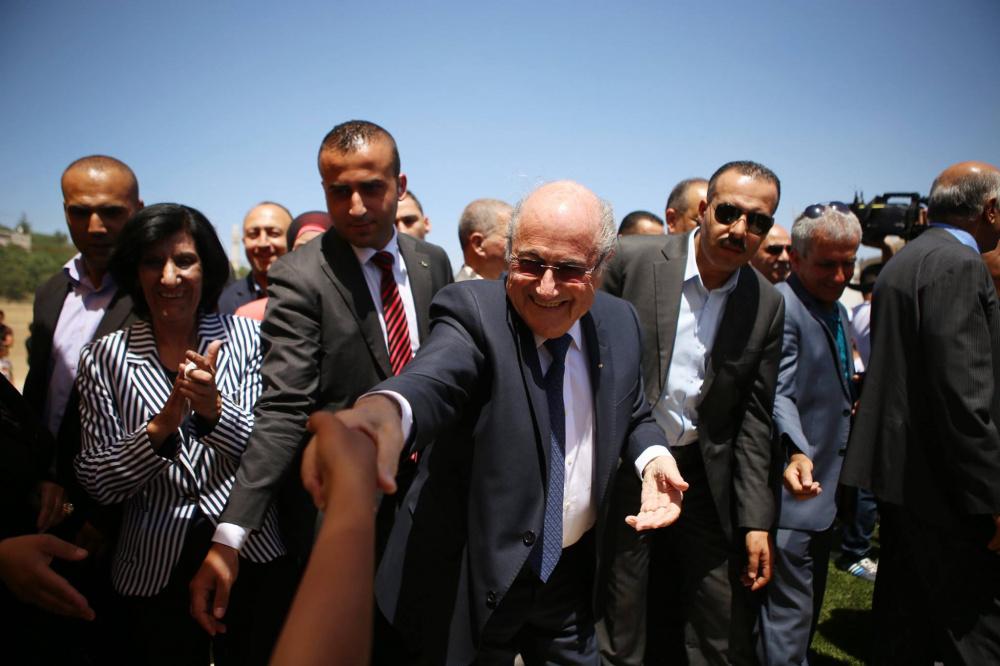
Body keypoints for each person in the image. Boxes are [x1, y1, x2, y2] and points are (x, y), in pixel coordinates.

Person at [316, 180, 686, 665]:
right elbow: (431, 381)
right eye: (530, 263)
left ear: (601, 265)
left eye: (569, 269)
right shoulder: (474, 311)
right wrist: (380, 419)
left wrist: (653, 458)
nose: (546, 287)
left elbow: (632, 411)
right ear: (509, 254)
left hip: (566, 582)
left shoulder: (620, 322)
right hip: (467, 583)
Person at [189, 120, 453, 637]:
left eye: (371, 188)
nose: (355, 206)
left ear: (400, 186)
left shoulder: (431, 262)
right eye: (339, 191)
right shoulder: (300, 275)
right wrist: (230, 535)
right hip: (346, 511)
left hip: (431, 501)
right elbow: (284, 408)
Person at [73, 204, 289, 665]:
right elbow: (96, 480)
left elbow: (271, 451)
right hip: (151, 571)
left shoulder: (250, 339)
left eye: (184, 261)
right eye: (153, 262)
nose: (169, 277)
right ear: (135, 272)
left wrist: (213, 411)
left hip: (248, 553)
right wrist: (160, 428)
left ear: (207, 268)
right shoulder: (104, 358)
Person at [600, 160, 784, 665]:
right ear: (703, 209)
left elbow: (753, 419)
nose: (740, 229)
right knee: (621, 622)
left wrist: (755, 521)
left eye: (758, 221)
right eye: (729, 212)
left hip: (702, 477)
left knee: (718, 623)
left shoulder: (765, 303)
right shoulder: (631, 262)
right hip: (624, 468)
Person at [841, 160, 1000, 664]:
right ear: (991, 209)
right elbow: (963, 393)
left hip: (901, 476)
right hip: (946, 486)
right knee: (974, 630)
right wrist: (992, 497)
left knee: (903, 623)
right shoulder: (961, 264)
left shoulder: (906, 260)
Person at [758, 202, 861, 664]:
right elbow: (778, 394)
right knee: (786, 622)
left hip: (823, 496)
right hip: (793, 494)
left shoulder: (835, 309)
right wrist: (797, 452)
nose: (840, 276)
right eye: (827, 265)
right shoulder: (783, 306)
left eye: (849, 263)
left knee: (800, 616)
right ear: (795, 258)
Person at [22, 155, 144, 530]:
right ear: (65, 211)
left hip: (119, 515)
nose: (95, 227)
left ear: (137, 211)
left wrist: (101, 515)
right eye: (80, 212)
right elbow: (39, 394)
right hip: (39, 499)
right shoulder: (50, 292)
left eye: (111, 212)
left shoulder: (157, 295)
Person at [217, 202, 293, 314]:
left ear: (292, 239)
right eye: (253, 234)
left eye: (274, 233)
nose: (263, 243)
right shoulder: (224, 305)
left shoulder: (313, 295)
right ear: (244, 241)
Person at [455, 198, 513, 281]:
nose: (519, 246)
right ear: (478, 244)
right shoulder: (459, 289)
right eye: (510, 238)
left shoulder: (513, 287)